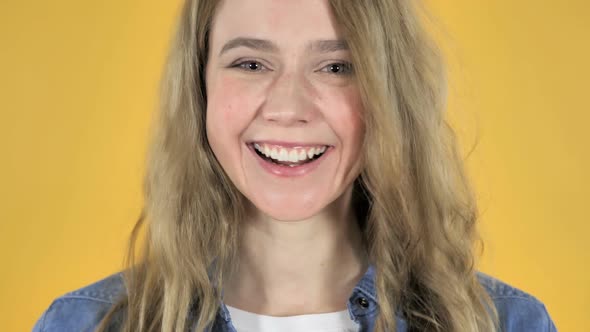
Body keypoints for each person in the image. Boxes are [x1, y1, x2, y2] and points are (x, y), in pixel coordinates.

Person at [33, 0, 557, 331]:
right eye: (251, 64)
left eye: (336, 67)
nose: (288, 108)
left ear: (387, 94)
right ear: (200, 90)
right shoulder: (83, 323)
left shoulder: (508, 323)